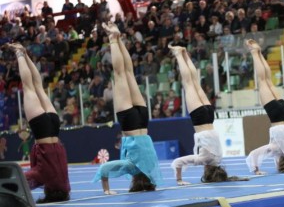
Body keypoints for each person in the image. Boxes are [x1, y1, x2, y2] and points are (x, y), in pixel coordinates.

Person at [92, 22, 162, 194]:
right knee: (119, 74)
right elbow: (104, 169)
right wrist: (107, 190)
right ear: (135, 182)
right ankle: (112, 38)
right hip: (130, 124)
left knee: (129, 73)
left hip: (144, 121)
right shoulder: (132, 167)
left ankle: (119, 38)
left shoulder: (152, 166)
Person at [169, 45, 245, 185]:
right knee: (188, 84)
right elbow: (177, 162)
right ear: (207, 171)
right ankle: (179, 54)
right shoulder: (203, 159)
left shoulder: (218, 158)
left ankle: (185, 54)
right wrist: (179, 180)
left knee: (195, 83)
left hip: (210, 115)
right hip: (200, 119)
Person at [7, 43, 70, 203]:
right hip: (42, 131)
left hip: (55, 127)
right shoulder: (43, 177)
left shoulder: (64, 181)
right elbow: (19, 181)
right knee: (28, 87)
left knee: (39, 87)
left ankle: (25, 53)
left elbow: (60, 188)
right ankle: (19, 53)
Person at [244, 39, 284, 174]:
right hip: (276, 117)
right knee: (262, 81)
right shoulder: (277, 148)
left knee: (269, 81)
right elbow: (253, 154)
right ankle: (254, 52)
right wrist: (256, 170)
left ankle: (259, 53)